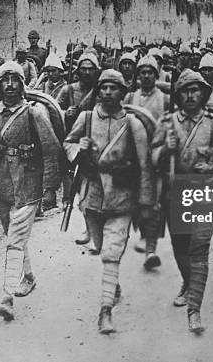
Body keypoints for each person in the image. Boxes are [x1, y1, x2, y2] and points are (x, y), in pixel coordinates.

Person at [151, 70, 213, 334]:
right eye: (185, 91)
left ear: (203, 94)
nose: (190, 95)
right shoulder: (167, 123)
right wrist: (163, 150)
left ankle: (194, 309)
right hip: (174, 196)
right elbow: (152, 160)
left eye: (195, 90)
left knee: (198, 252)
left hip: (204, 196)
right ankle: (188, 283)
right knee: (180, 249)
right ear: (178, 95)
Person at [64, 69, 153, 334]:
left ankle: (105, 311)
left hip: (122, 197)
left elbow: (146, 166)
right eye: (103, 88)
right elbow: (67, 143)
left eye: (114, 88)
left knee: (111, 253)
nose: (107, 93)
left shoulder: (133, 124)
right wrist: (78, 149)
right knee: (102, 247)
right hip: (91, 197)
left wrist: (146, 202)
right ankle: (112, 285)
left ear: (122, 92)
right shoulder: (87, 118)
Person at [0, 61, 60, 321]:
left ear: (23, 84)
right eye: (4, 80)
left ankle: (7, 297)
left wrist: (49, 188)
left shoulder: (34, 112)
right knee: (14, 237)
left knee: (13, 240)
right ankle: (29, 276)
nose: (9, 85)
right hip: (2, 183)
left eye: (15, 80)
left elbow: (51, 149)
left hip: (28, 183)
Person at [123, 55, 168, 269]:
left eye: (150, 72)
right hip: (134, 158)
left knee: (155, 202)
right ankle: (141, 233)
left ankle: (151, 249)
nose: (146, 76)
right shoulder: (131, 97)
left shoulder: (164, 99)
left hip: (158, 156)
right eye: (143, 72)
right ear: (138, 75)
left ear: (156, 75)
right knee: (136, 199)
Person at [57, 52, 100, 246]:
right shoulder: (68, 90)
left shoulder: (101, 89)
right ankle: (89, 228)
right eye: (83, 68)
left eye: (91, 69)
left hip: (98, 142)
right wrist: (67, 113)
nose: (87, 72)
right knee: (80, 189)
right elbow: (54, 112)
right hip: (75, 143)